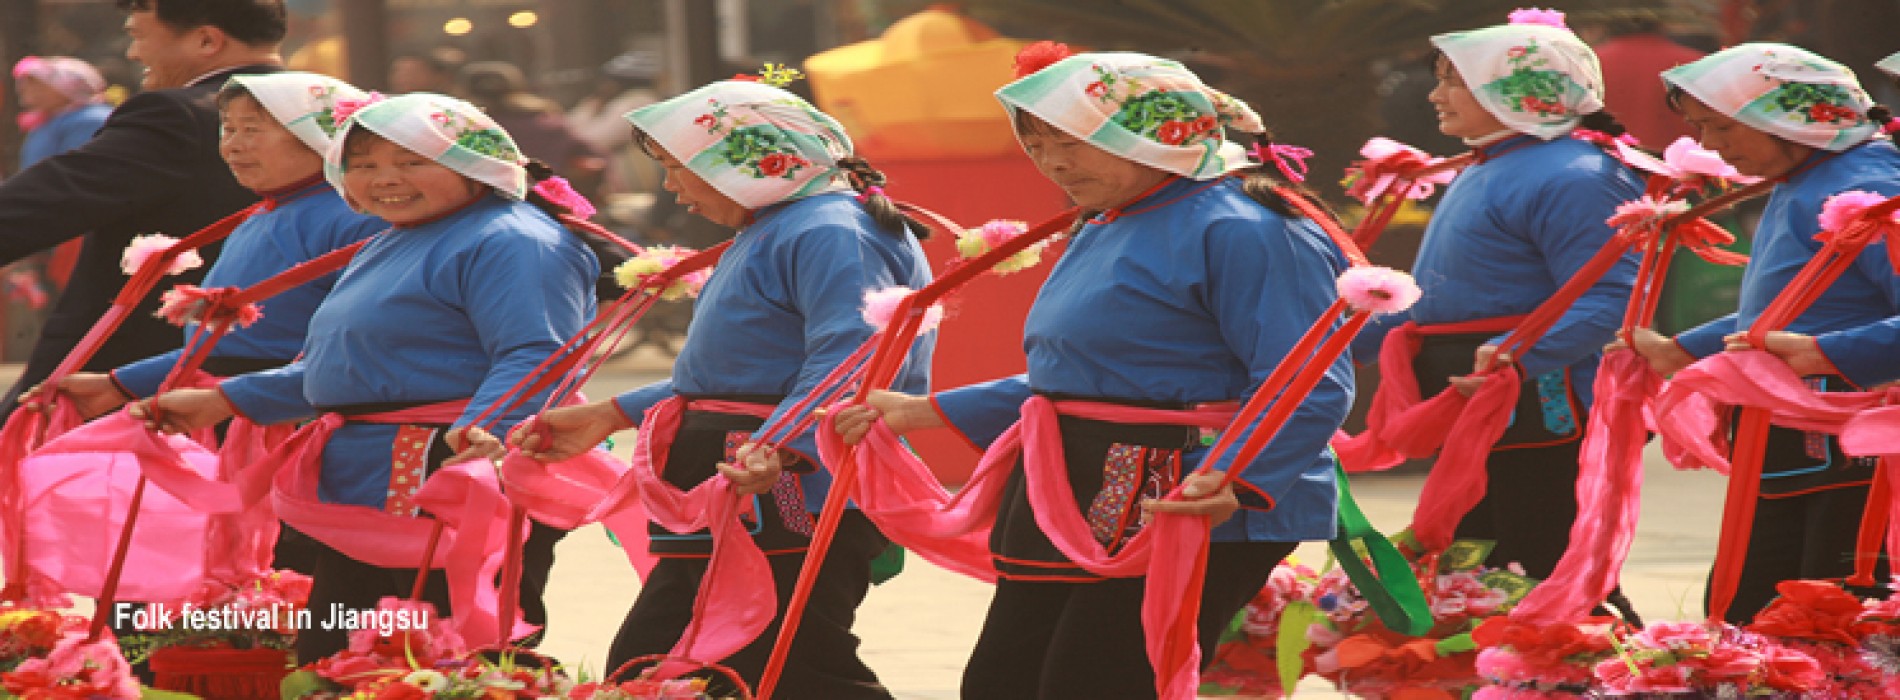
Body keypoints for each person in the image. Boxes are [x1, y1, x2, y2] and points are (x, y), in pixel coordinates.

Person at [827, 47, 1353, 698]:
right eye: (1039, 145)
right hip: (1073, 480)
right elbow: (1088, 383)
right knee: (1002, 682)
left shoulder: (1249, 226)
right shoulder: (1109, 221)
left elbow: (1308, 377)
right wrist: (919, 410)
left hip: (1188, 488)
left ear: (1154, 129)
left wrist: (1235, 480)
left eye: (1073, 141)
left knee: (1097, 683)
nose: (1054, 163)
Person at [489, 77, 934, 697]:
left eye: (678, 168)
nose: (670, 186)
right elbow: (731, 373)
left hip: (782, 481)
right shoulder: (787, 225)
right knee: (686, 663)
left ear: (751, 160)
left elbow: (849, 357)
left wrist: (777, 444)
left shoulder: (830, 228)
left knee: (786, 661)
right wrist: (612, 412)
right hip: (739, 466)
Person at [133, 92, 600, 661]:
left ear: (472, 162)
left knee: (438, 656)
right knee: (340, 655)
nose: (386, 179)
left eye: (411, 161)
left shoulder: (513, 240)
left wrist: (484, 436)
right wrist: (226, 400)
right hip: (372, 477)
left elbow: (537, 354)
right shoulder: (395, 238)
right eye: (364, 164)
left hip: (447, 468)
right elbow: (344, 369)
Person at [1347, 11, 1644, 613]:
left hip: (1532, 399)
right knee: (1479, 566)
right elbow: (1444, 300)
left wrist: (1512, 359)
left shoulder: (1578, 174)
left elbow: (1613, 298)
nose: (1435, 95)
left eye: (1454, 81)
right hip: (1475, 394)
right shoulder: (1485, 165)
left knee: (1539, 563)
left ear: (1514, 91)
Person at [1625, 43, 1900, 623]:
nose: (1707, 145)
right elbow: (1794, 309)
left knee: (1832, 611)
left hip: (1840, 437)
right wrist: (1683, 351)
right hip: (1786, 435)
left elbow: (1819, 329)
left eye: (1721, 125)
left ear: (1791, 118)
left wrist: (1830, 352)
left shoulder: (1865, 185)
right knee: (1760, 602)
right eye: (1699, 127)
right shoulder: (1807, 179)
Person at [0, 0, 287, 421]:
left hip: (147, 394)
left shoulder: (180, 116)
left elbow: (39, 204)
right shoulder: (342, 110)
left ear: (207, 40)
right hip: (291, 391)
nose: (133, 54)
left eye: (138, 36)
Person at [1588, 9, 1705, 147]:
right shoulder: (1694, 63)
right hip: (1682, 163)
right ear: (1660, 25)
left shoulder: (1589, 64)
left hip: (1606, 159)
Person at [12, 56, 113, 169]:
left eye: (38, 86)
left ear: (67, 85)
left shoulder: (90, 119)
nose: (27, 91)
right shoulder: (48, 119)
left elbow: (78, 169)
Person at [387, 47, 463, 95]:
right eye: (398, 72)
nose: (403, 78)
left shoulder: (451, 104)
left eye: (412, 73)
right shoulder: (384, 105)